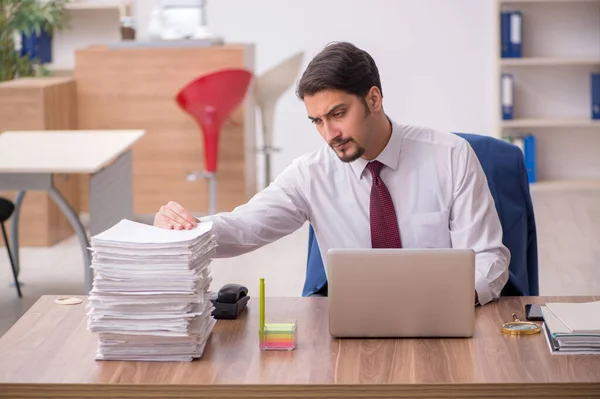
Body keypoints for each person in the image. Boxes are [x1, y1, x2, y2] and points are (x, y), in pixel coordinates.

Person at [153, 41, 510, 306]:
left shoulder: (450, 156)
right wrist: (186, 231)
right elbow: (245, 227)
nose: (329, 134)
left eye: (338, 114)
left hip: (441, 315)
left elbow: (489, 259)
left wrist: (445, 301)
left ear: (373, 99)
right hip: (354, 326)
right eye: (317, 121)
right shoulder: (312, 173)